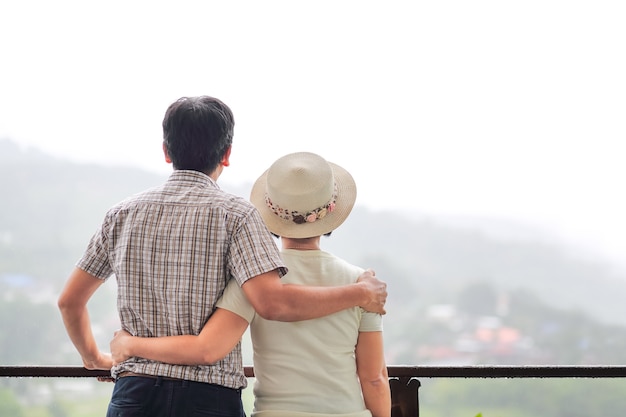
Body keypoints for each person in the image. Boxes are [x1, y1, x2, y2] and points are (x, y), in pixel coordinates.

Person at [57, 97, 387, 417]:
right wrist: (360, 293)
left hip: (134, 393)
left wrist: (97, 358)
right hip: (209, 397)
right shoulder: (237, 216)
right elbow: (272, 303)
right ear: (227, 154)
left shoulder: (121, 214)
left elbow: (70, 301)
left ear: (165, 150)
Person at [110, 151, 391, 417]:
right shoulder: (363, 285)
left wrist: (130, 344)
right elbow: (374, 378)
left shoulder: (254, 280)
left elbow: (207, 348)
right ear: (331, 215)